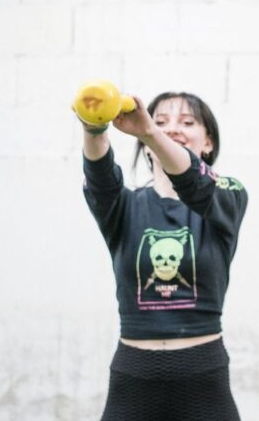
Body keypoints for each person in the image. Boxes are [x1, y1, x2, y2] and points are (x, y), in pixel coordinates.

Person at [80, 91, 248, 421]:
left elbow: (195, 182)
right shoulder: (124, 206)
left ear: (209, 142)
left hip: (204, 380)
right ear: (143, 146)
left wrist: (150, 132)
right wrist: (93, 125)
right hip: (133, 380)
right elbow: (100, 176)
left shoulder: (229, 195)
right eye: (160, 122)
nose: (172, 129)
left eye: (187, 122)